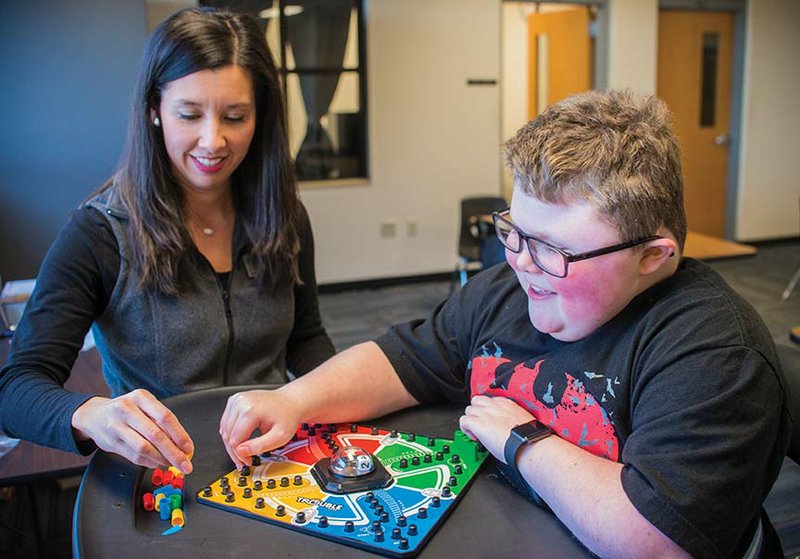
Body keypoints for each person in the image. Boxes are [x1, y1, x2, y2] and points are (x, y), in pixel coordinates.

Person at [219, 90, 792, 558]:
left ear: (652, 256)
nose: (519, 262)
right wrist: (295, 399)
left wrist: (521, 441)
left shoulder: (715, 354)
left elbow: (656, 542)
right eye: (514, 231)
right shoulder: (510, 287)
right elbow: (401, 361)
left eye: (553, 251)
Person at [0, 8, 334, 477]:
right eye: (189, 114)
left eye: (235, 116)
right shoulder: (99, 232)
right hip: (163, 472)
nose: (212, 140)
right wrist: (93, 414)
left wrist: (331, 394)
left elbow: (306, 337)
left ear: (260, 116)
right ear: (154, 110)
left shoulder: (283, 216)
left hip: (273, 462)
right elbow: (15, 389)